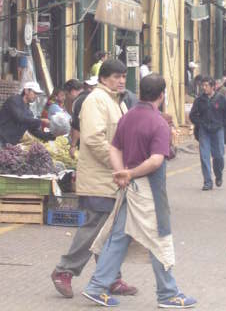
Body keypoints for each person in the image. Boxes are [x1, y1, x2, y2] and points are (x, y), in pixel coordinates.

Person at [82, 74, 196, 309]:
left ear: (141, 92)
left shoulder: (128, 117)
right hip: (149, 190)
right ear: (162, 95)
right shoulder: (159, 123)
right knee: (159, 239)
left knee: (118, 237)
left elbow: (113, 148)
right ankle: (168, 294)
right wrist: (130, 174)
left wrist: (121, 172)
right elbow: (155, 161)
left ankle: (96, 286)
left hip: (129, 188)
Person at [51, 59, 137, 299]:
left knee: (111, 232)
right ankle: (64, 271)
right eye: (115, 76)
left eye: (123, 76)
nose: (121, 80)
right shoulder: (96, 101)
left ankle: (111, 278)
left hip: (113, 180)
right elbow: (94, 140)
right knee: (94, 229)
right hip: (99, 180)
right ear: (103, 78)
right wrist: (119, 164)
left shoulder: (117, 102)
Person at [189, 76, 226, 190]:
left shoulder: (221, 99)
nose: (204, 88)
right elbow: (192, 115)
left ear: (213, 87)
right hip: (204, 131)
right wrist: (200, 123)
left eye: (206, 85)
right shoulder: (199, 100)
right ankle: (207, 181)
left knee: (219, 156)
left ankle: (218, 175)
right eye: (203, 85)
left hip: (218, 131)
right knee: (204, 156)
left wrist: (221, 125)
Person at [0, 81, 54, 146]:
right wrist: (41, 121)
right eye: (34, 93)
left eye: (37, 94)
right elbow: (20, 118)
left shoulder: (28, 112)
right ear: (26, 91)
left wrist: (50, 136)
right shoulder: (14, 100)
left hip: (8, 144)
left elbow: (33, 130)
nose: (36, 96)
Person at [69, 77, 98, 157]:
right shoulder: (94, 98)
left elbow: (77, 125)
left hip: (87, 143)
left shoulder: (78, 101)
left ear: (72, 91)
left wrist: (73, 146)